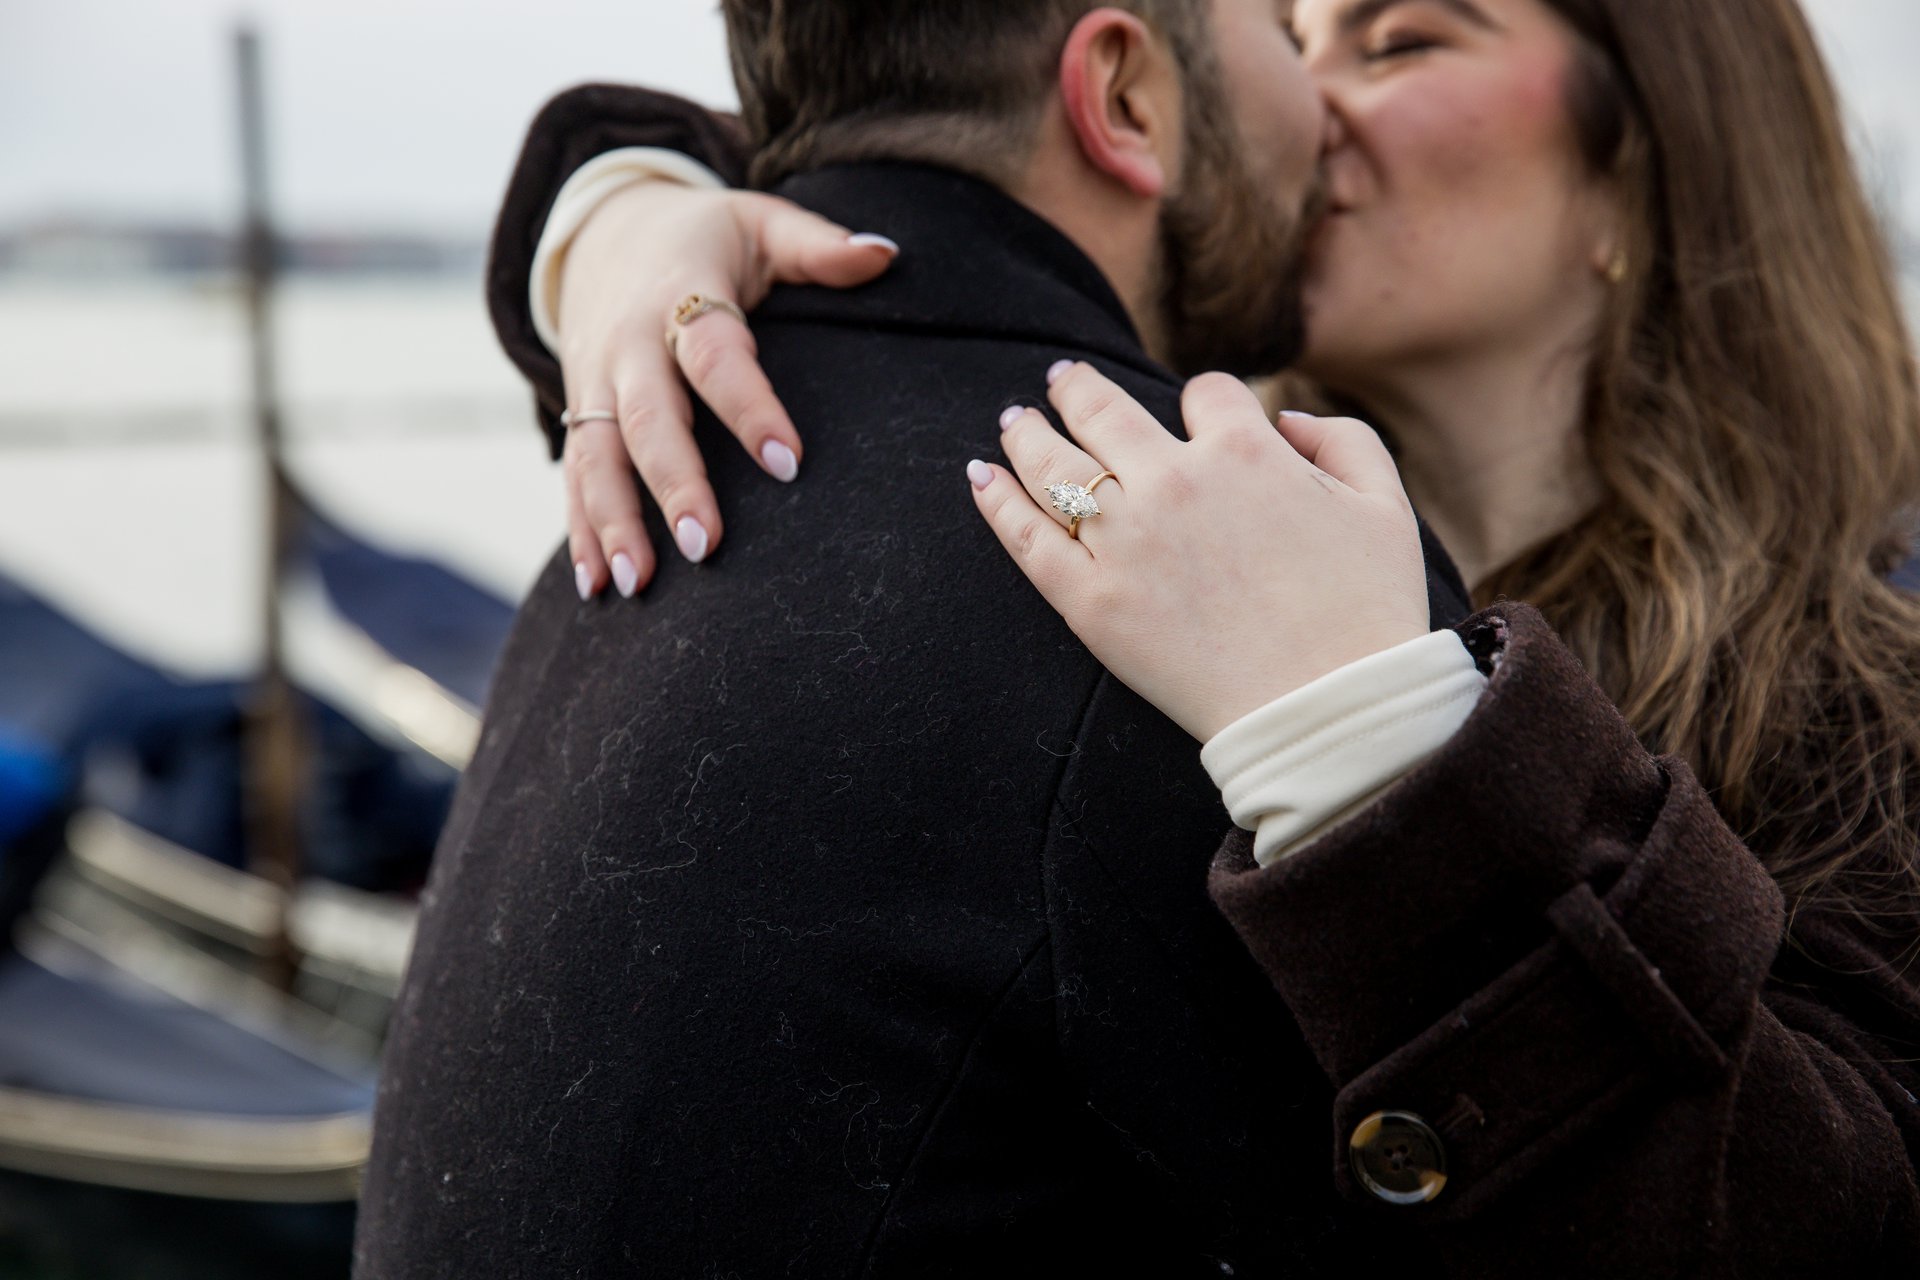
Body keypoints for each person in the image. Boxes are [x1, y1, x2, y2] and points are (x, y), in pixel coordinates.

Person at [476, 0, 1920, 1273]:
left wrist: (1375, 730)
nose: (1304, 97)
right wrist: (626, 211)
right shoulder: (1122, 518)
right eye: (1288, 38)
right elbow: (938, 104)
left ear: (1646, 157)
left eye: (1404, 38)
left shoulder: (1860, 695)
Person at [356, 2, 1473, 1276]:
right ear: (1122, 95)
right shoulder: (1259, 571)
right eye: (1279, 22)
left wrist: (611, 200)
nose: (1327, 101)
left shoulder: (647, 484)